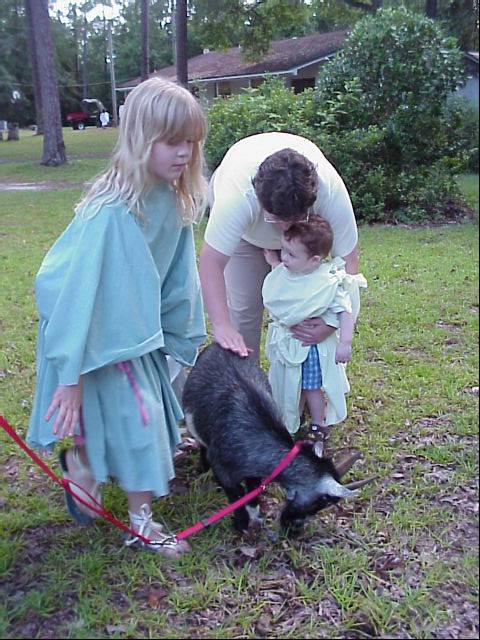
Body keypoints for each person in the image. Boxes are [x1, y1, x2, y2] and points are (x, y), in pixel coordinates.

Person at [27, 77, 208, 558]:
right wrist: (70, 375)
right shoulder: (111, 211)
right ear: (142, 140)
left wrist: (179, 335)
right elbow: (74, 294)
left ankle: (83, 463)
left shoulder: (171, 201)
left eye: (191, 141)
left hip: (134, 336)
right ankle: (140, 521)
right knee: (142, 420)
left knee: (126, 418)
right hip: (89, 336)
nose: (184, 152)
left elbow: (178, 278)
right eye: (172, 141)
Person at [199, 132, 359, 360]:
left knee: (311, 302)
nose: (285, 228)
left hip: (304, 240)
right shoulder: (238, 196)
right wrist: (222, 325)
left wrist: (332, 322)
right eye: (276, 218)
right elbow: (211, 262)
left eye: (294, 219)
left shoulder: (329, 191)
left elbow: (348, 264)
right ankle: (244, 377)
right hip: (247, 237)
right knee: (244, 311)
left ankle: (299, 375)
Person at [262, 217, 367, 446]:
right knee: (290, 385)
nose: (284, 257)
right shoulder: (286, 272)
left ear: (314, 260)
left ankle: (319, 424)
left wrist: (345, 343)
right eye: (283, 250)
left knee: (311, 388)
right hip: (289, 344)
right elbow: (283, 285)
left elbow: (345, 311)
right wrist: (273, 261)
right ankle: (292, 419)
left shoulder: (327, 282)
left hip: (311, 349)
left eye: (291, 254)